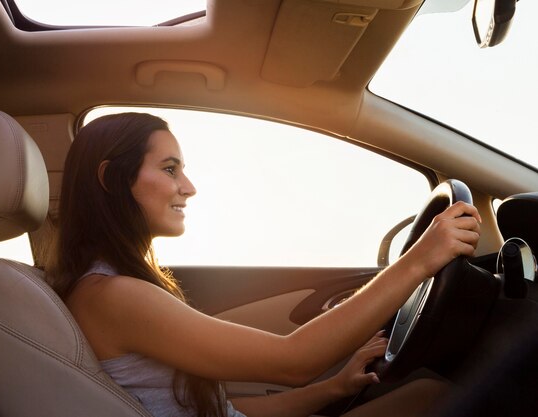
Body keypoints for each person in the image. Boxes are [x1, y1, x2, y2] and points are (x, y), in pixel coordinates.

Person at [45, 112, 481, 417]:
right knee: (437, 397)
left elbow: (222, 411)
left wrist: (333, 388)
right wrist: (420, 260)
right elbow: (293, 361)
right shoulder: (113, 295)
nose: (189, 187)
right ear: (110, 178)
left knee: (427, 394)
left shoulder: (109, 286)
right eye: (170, 168)